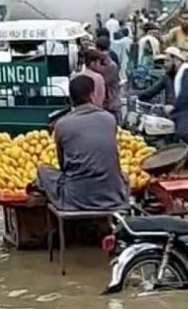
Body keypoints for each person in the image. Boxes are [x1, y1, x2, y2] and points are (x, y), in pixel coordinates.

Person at [36, 75, 127, 211]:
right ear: (92, 95)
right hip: (112, 196)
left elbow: (64, 165)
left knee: (43, 170)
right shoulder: (109, 119)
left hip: (76, 199)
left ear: (71, 98)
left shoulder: (62, 125)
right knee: (123, 176)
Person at [94, 36, 122, 119]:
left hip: (109, 104)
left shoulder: (109, 65)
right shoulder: (107, 61)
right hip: (108, 103)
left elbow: (102, 82)